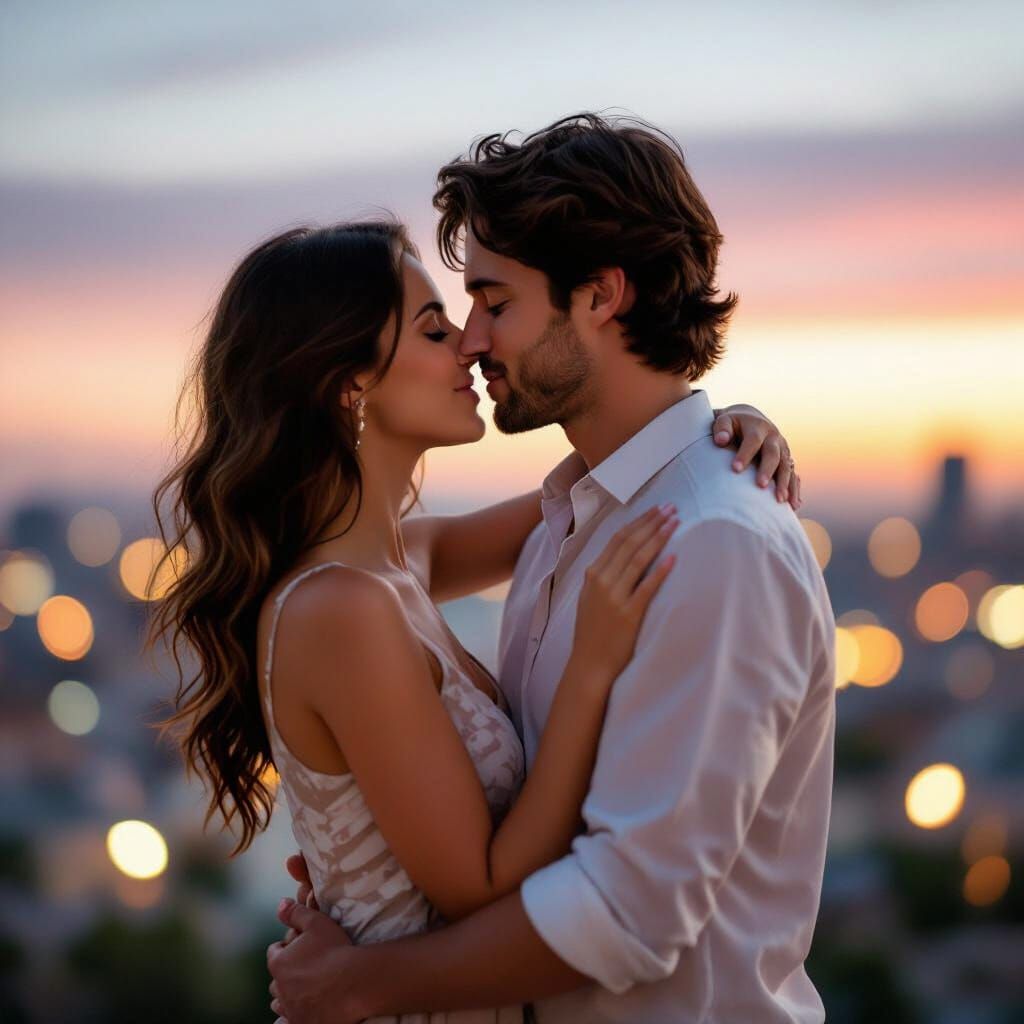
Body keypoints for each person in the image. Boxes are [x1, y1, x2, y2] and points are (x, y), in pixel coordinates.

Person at [149, 215, 796, 1018]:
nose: (469, 345)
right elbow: (482, 883)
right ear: (347, 383)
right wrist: (592, 669)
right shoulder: (341, 609)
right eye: (433, 328)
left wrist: (720, 429)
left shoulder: (401, 561)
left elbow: (614, 482)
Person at [268, 113, 835, 1024]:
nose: (473, 340)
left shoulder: (716, 543)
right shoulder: (567, 523)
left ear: (602, 296)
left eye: (495, 302)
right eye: (456, 314)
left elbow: (628, 914)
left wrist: (367, 981)